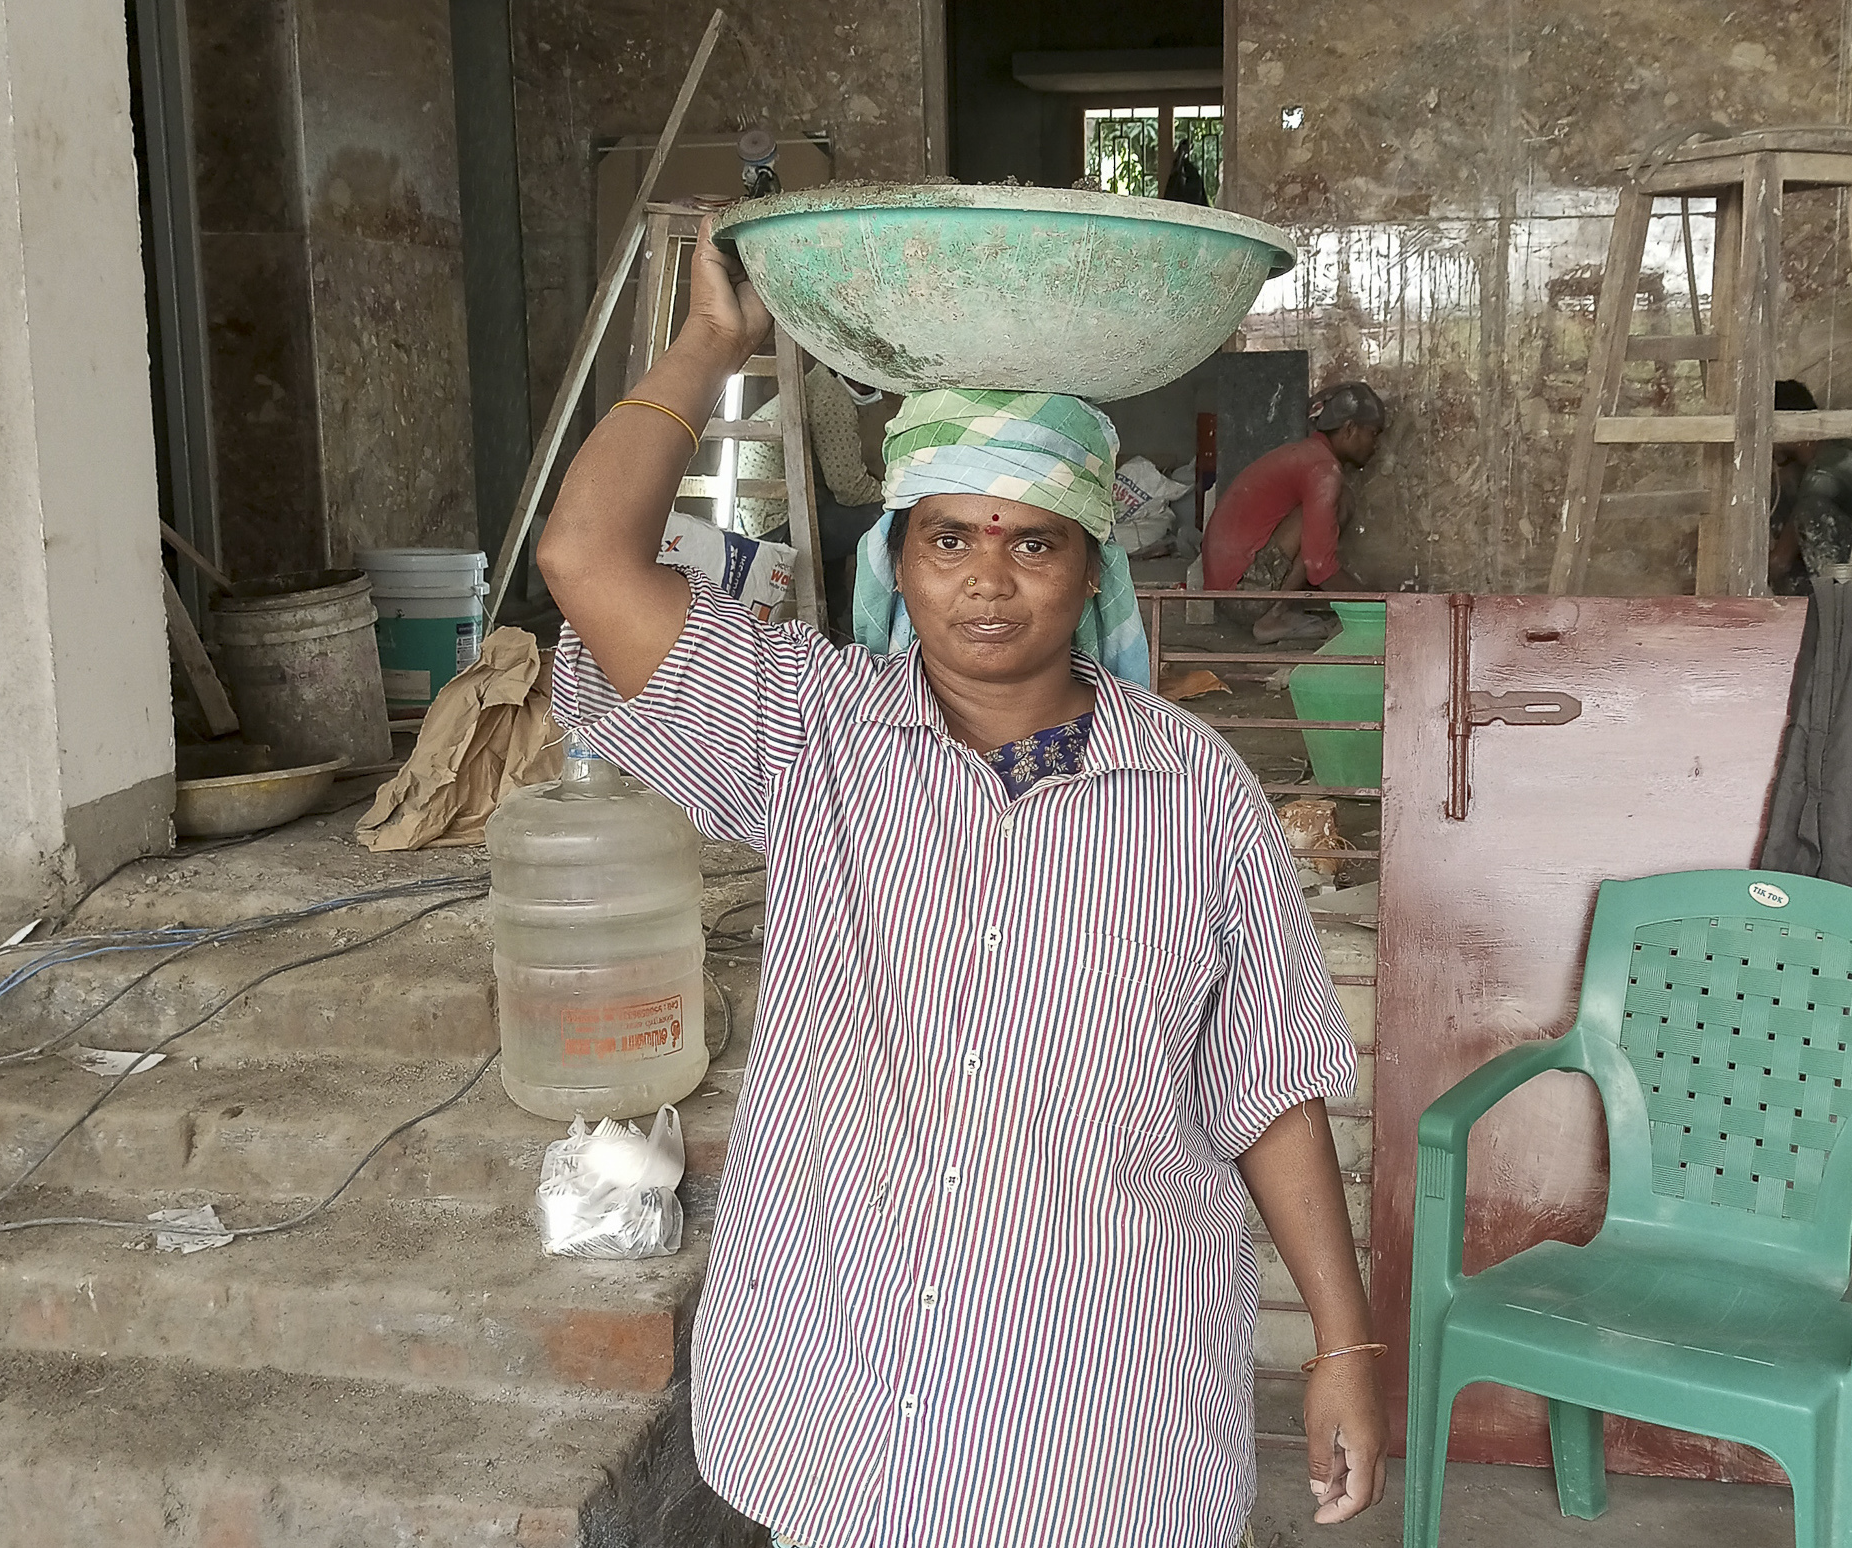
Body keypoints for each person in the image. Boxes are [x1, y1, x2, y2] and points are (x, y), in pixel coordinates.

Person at [536, 225, 1389, 1548]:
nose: (987, 580)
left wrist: (1344, 1340)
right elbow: (586, 561)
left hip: (1100, 1411)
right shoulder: (809, 735)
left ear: (1093, 565)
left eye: (1033, 544)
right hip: (844, 1397)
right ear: (897, 559)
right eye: (947, 540)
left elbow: (1267, 1081)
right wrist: (713, 343)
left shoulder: (1195, 792)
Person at [1201, 382, 1385, 642]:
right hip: (1242, 595)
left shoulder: (1306, 454)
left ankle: (1277, 611)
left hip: (1227, 592)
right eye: (1373, 433)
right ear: (1350, 429)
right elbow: (1319, 566)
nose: (1375, 444)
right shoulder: (1322, 468)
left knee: (1337, 504)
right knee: (1340, 504)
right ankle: (1274, 616)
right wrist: (1382, 607)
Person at [736, 362, 901, 631]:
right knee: (892, 520)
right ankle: (877, 626)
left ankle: (834, 625)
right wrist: (898, 498)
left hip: (766, 517)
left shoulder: (817, 385)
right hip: (778, 525)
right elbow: (849, 487)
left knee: (840, 520)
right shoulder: (831, 398)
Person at [1769, 378, 1852, 595]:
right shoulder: (1836, 448)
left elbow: (1781, 561)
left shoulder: (1826, 469)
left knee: (1807, 513)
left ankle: (1821, 607)